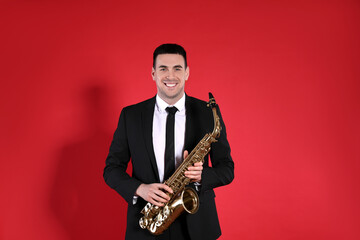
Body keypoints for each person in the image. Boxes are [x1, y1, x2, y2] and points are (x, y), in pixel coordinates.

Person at [103, 43, 234, 240]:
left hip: (196, 226)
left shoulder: (208, 114)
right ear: (153, 73)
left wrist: (201, 176)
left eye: (177, 69)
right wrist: (140, 189)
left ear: (187, 73)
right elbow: (111, 169)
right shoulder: (131, 115)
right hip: (147, 222)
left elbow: (227, 169)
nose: (170, 76)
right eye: (163, 69)